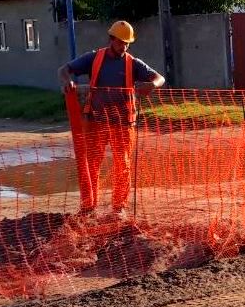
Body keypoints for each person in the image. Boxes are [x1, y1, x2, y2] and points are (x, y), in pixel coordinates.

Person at [57, 20, 165, 217]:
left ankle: (119, 208)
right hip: (96, 121)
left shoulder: (133, 63)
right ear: (111, 39)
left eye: (127, 43)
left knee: (122, 165)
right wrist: (68, 82)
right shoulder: (94, 58)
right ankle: (89, 207)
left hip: (123, 123)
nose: (124, 46)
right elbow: (64, 70)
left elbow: (159, 77)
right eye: (121, 42)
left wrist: (153, 85)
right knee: (92, 164)